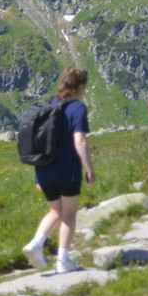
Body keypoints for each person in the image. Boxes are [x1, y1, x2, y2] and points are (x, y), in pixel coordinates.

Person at [21, 68, 95, 274]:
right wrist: (89, 168)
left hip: (43, 168)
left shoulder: (49, 105)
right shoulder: (77, 108)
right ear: (79, 87)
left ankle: (36, 243)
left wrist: (37, 174)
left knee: (55, 211)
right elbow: (79, 140)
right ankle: (63, 259)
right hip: (67, 169)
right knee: (69, 214)